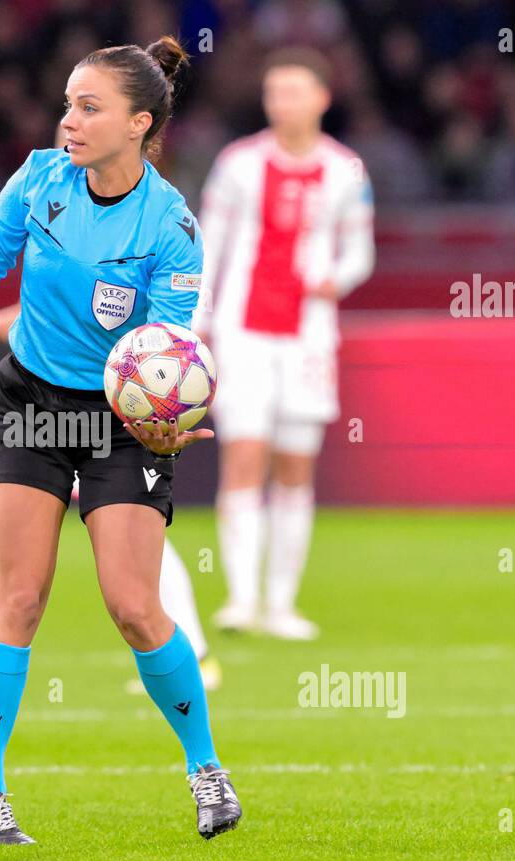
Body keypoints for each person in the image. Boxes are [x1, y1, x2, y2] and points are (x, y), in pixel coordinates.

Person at [0, 36, 241, 845]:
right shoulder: (39, 177)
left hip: (119, 422)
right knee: (17, 598)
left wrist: (167, 412)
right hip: (30, 402)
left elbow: (166, 347)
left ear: (139, 123)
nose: (70, 120)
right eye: (68, 102)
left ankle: (206, 770)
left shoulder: (171, 225)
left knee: (134, 608)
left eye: (89, 107)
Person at [0, 300, 222, 696]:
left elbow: (91, 306)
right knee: (26, 536)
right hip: (75, 407)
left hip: (102, 412)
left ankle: (196, 652)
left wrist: (1, 320)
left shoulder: (160, 249)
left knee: (128, 538)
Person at [194, 47, 375, 641]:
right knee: (245, 457)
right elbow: (208, 244)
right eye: (274, 92)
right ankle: (242, 600)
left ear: (323, 97)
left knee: (295, 468)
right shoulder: (239, 164)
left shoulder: (347, 170)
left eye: (294, 92)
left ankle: (282, 605)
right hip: (244, 333)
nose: (282, 103)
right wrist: (198, 317)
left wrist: (337, 278)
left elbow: (360, 251)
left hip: (309, 337)